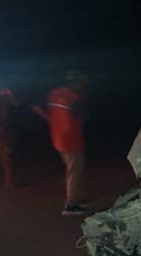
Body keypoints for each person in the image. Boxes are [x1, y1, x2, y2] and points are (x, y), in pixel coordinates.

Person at [33, 70, 90, 215]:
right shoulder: (74, 98)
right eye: (81, 83)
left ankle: (78, 197)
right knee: (74, 171)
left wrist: (50, 118)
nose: (82, 86)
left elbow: (35, 106)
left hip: (58, 139)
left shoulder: (53, 93)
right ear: (76, 82)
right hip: (72, 140)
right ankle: (70, 206)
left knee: (73, 169)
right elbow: (83, 118)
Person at [0, 78, 17, 189]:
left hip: (4, 130)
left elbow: (15, 104)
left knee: (6, 156)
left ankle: (9, 182)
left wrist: (10, 94)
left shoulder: (4, 97)